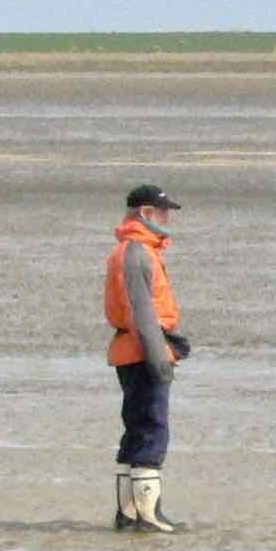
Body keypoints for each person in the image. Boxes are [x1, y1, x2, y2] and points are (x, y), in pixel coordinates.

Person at [105, 184, 190, 533]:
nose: (167, 217)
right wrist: (160, 361)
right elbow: (142, 313)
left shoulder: (136, 251)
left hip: (136, 349)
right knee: (151, 430)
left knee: (137, 430)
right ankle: (147, 515)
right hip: (142, 351)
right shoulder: (136, 253)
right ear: (144, 213)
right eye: (161, 211)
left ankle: (129, 514)